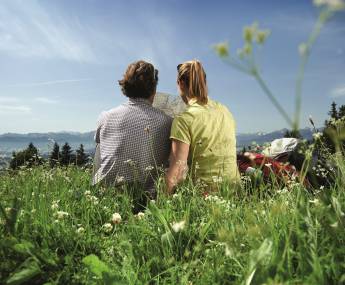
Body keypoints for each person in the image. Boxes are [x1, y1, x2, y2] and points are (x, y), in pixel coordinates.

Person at [93, 60, 172, 196]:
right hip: (147, 199)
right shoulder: (167, 121)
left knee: (100, 145)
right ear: (154, 90)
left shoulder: (105, 117)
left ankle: (99, 189)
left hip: (108, 195)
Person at [165, 60, 239, 194]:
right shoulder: (225, 110)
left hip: (205, 198)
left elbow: (177, 173)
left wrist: (161, 205)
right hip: (236, 193)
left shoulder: (184, 119)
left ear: (181, 83)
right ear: (204, 82)